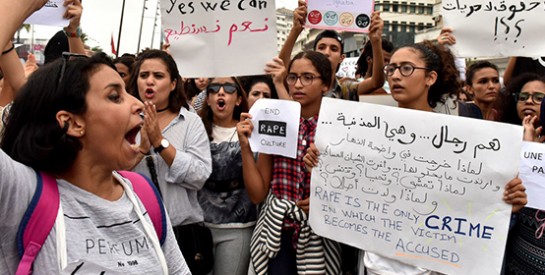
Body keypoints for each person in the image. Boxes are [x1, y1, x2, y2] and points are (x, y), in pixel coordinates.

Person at [304, 40, 527, 275]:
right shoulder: (364, 130)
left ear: (430, 78)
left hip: (433, 265)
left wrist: (505, 201)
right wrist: (322, 166)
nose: (396, 76)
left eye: (407, 68)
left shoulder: (460, 138)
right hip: (375, 265)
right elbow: (353, 186)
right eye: (392, 69)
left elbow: (471, 197)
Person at [0, 50, 189, 274]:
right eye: (114, 97)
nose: (138, 104)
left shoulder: (142, 194)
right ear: (71, 123)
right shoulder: (24, 194)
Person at [238, 50, 342, 274]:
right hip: (279, 235)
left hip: (320, 235)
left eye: (308, 77)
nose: (298, 84)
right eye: (292, 77)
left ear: (326, 84)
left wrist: (322, 199)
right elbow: (257, 194)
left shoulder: (338, 129)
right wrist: (245, 148)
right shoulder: (276, 122)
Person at [128, 49, 212, 274]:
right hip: (134, 232)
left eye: (158, 76)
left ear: (174, 83)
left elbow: (199, 176)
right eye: (144, 75)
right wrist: (141, 151)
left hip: (182, 234)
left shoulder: (190, 122)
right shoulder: (122, 120)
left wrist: (160, 142)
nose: (150, 82)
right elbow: (108, 172)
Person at [197, 76, 256, 275]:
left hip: (238, 227)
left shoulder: (250, 130)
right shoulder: (195, 130)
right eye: (214, 88)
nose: (221, 92)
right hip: (200, 227)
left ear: (239, 99)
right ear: (208, 98)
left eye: (229, 88)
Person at [278, 0, 385, 100]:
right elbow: (280, 72)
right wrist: (296, 30)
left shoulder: (346, 88)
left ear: (341, 58)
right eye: (321, 47)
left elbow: (376, 82)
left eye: (334, 49)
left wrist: (376, 41)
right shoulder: (298, 83)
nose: (326, 53)